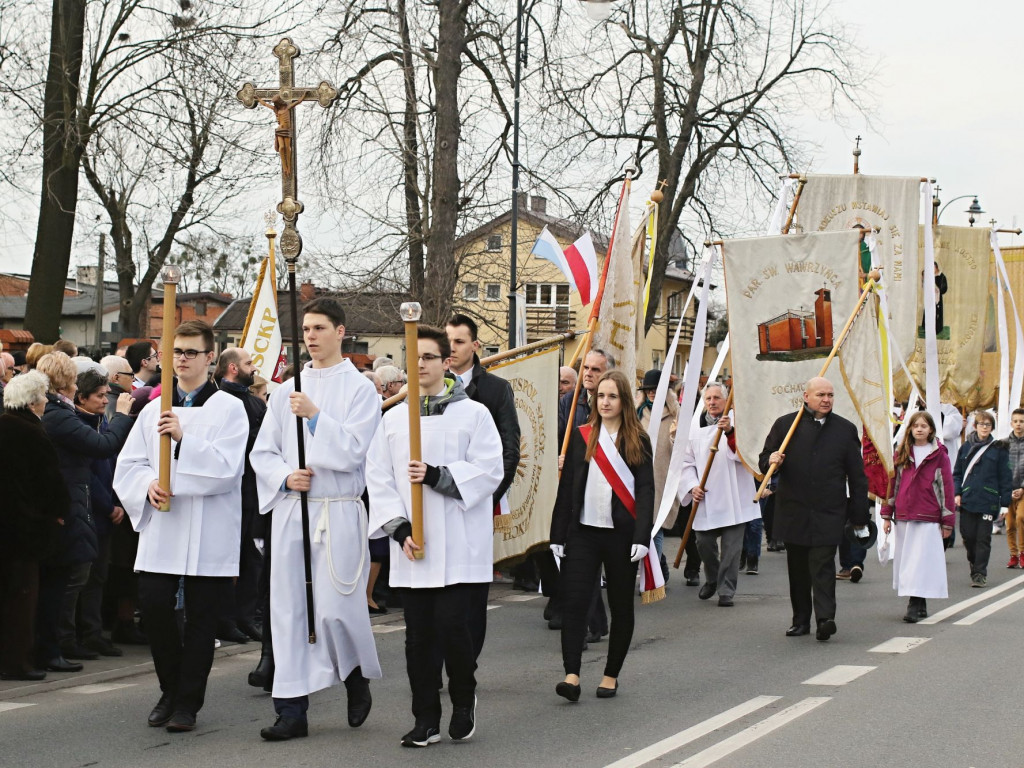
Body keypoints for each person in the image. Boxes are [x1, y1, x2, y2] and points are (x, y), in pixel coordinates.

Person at [250, 298, 382, 742]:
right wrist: (285, 476)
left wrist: (315, 418)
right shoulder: (286, 389)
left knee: (335, 608)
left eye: (319, 327)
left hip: (337, 509)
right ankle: (291, 710)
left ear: (340, 332)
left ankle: (355, 676)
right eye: (306, 328)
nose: (310, 336)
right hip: (292, 509)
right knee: (289, 610)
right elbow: (263, 451)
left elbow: (355, 452)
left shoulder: (359, 389)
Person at [366, 324, 503, 748]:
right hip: (415, 548)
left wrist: (437, 476)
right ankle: (425, 718)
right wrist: (399, 528)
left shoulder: (474, 414)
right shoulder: (393, 419)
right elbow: (378, 477)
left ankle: (463, 697)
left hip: (459, 544)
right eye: (414, 358)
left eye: (428, 357)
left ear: (446, 362)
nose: (420, 364)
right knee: (418, 639)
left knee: (453, 629)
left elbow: (490, 471)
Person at [113, 320, 248, 733]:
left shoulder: (229, 408)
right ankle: (170, 689)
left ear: (210, 357)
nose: (183, 359)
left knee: (202, 620)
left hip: (209, 527)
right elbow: (129, 463)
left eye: (191, 352)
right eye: (177, 352)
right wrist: (146, 484)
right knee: (155, 609)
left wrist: (185, 438)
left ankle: (188, 702)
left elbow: (228, 469)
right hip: (165, 527)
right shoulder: (154, 408)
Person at [550, 369, 653, 702]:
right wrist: (557, 534)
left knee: (621, 606)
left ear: (624, 401)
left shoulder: (638, 439)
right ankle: (571, 675)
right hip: (583, 533)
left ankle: (610, 675)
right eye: (601, 396)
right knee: (574, 602)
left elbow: (646, 490)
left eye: (612, 396)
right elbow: (567, 489)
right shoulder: (582, 435)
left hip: (622, 536)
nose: (605, 402)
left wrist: (642, 537)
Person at [36, 352, 133, 672]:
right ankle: (56, 644)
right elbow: (101, 448)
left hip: (79, 504)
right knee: (68, 580)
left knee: (81, 576)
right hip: (72, 505)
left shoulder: (62, 413)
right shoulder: (60, 416)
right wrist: (121, 417)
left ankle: (65, 640)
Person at [759, 377, 869, 641]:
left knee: (823, 566)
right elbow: (764, 460)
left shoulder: (845, 430)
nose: (827, 399)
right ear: (806, 397)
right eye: (821, 395)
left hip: (829, 511)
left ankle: (825, 619)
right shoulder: (786, 425)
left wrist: (860, 515)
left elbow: (857, 476)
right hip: (794, 510)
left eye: (830, 395)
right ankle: (800, 620)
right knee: (798, 569)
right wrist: (772, 460)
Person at [445, 315, 521, 649]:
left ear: (475, 346)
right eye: (447, 341)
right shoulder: (426, 386)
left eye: (459, 342)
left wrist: (484, 497)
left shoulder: (495, 389)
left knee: (471, 589)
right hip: (436, 500)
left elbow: (509, 451)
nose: (451, 348)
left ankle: (467, 660)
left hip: (476, 503)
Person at [0, 372, 68, 681]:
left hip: (9, 527)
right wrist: (57, 514)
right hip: (24, 531)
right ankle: (18, 662)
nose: (45, 403)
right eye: (42, 398)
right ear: (31, 403)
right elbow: (50, 484)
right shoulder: (32, 433)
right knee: (22, 600)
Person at [680, 382, 760, 607]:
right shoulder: (695, 427)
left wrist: (730, 432)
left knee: (731, 550)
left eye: (717, 398)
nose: (712, 402)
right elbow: (685, 462)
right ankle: (713, 578)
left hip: (734, 497)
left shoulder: (739, 423)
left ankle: (726, 590)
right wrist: (692, 486)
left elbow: (746, 455)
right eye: (708, 398)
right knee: (703, 543)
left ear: (727, 401)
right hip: (706, 497)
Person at [214, 348, 267, 644]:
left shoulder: (254, 402)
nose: (253, 367)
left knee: (251, 558)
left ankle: (244, 616)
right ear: (233, 368)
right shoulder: (219, 400)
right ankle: (224, 619)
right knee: (228, 557)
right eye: (248, 363)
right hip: (229, 489)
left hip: (252, 489)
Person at [73, 369, 127, 658]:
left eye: (106, 394)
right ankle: (83, 634)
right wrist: (108, 506)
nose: (106, 400)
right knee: (84, 578)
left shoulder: (99, 421)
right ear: (81, 397)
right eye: (100, 395)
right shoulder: (79, 426)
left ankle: (92, 633)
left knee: (98, 578)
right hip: (91, 513)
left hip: (106, 512)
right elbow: (89, 475)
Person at [881, 411, 954, 622]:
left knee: (921, 561)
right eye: (915, 426)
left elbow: (946, 489)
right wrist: (886, 514)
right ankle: (919, 602)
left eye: (924, 426)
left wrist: (947, 521)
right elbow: (892, 485)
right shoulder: (902, 453)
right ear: (910, 429)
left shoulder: (939, 455)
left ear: (931, 430)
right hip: (905, 514)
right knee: (909, 560)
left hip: (928, 515)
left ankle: (914, 604)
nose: (919, 429)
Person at [953, 410, 1012, 587]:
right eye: (981, 424)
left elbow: (1005, 477)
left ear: (992, 427)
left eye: (988, 425)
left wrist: (1005, 504)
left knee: (983, 538)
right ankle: (974, 562)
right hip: (968, 499)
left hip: (988, 500)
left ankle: (980, 573)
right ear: (975, 426)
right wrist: (957, 493)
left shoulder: (999, 449)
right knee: (968, 537)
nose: (984, 427)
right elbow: (957, 473)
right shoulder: (965, 447)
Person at [636, 368, 679, 578]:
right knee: (638, 527)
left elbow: (683, 446)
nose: (652, 393)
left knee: (656, 527)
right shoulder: (637, 413)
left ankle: (654, 576)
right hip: (637, 476)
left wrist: (674, 437)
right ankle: (653, 567)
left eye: (656, 389)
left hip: (662, 476)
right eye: (648, 389)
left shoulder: (675, 413)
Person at [1005, 408, 1024, 568]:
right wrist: (1006, 488)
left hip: (1023, 490)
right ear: (1011, 423)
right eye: (1016, 421)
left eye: (1022, 421)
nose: (1018, 424)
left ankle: (1023, 552)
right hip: (1008, 490)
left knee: (1021, 518)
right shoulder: (1004, 444)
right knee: (1010, 524)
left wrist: (1022, 488)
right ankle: (1013, 554)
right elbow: (1001, 468)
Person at [100, 355, 135, 421]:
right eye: (131, 375)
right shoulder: (120, 405)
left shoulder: (97, 401)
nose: (134, 379)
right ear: (116, 378)